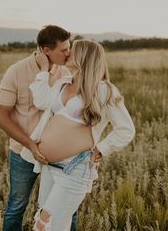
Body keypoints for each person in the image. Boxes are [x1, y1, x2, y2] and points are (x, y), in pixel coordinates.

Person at [21, 40, 135, 231]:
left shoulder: (104, 89)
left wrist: (101, 149)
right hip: (50, 166)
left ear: (84, 57)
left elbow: (126, 129)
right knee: (54, 224)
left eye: (71, 51)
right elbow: (41, 101)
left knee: (45, 225)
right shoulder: (63, 83)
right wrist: (43, 71)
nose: (67, 53)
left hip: (75, 168)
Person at [0, 25, 79, 231]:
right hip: (23, 152)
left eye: (69, 48)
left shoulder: (65, 72)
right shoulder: (16, 71)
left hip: (58, 155)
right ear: (46, 50)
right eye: (64, 50)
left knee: (67, 208)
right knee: (17, 206)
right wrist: (30, 145)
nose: (69, 53)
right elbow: (2, 118)